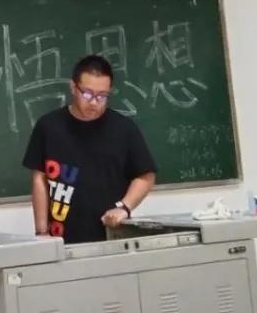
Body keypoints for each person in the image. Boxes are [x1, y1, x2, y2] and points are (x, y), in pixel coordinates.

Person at [22, 54, 157, 243]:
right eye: (87, 93)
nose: (94, 102)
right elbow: (39, 179)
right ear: (73, 87)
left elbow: (145, 176)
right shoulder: (49, 126)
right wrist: (41, 232)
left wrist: (124, 208)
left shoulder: (124, 129)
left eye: (102, 96)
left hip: (111, 236)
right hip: (60, 238)